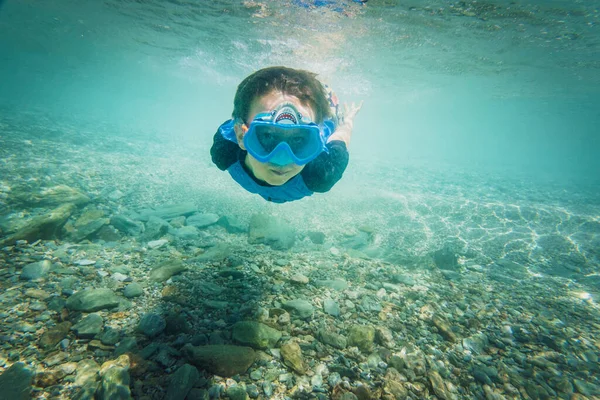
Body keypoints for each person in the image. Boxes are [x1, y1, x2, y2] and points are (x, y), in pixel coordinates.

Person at [210, 66, 362, 203]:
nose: (282, 161)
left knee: (331, 121)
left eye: (298, 139)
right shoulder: (225, 149)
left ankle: (323, 92)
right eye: (267, 136)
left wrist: (347, 122)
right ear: (241, 136)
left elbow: (339, 139)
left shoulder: (321, 174)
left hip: (325, 123)